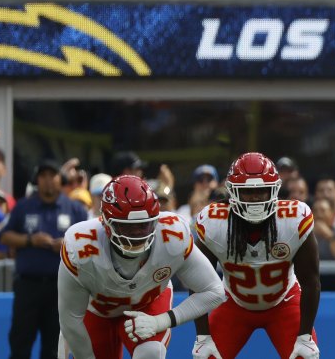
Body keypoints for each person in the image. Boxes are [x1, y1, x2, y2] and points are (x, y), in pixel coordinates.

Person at [56, 176, 226, 359]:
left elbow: (214, 291)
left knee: (151, 352)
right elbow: (70, 320)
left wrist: (161, 321)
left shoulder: (172, 235)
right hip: (97, 311)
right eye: (127, 227)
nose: (137, 234)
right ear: (105, 222)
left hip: (148, 305)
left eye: (143, 226)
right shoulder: (81, 246)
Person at [191, 152, 321, 359]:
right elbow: (197, 283)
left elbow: (311, 281)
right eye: (247, 192)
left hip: (284, 301)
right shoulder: (215, 223)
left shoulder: (292, 219)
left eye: (262, 191)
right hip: (233, 303)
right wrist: (202, 337)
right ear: (233, 193)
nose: (255, 198)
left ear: (275, 191)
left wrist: (305, 336)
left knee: (305, 356)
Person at [0, 159, 91, 359]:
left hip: (62, 288)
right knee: (20, 342)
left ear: (61, 179)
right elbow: (5, 236)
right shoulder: (24, 207)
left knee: (54, 345)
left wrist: (68, 245)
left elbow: (91, 245)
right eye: (43, 176)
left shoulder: (75, 209)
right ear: (37, 179)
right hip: (28, 286)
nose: (48, 180)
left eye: (53, 175)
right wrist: (31, 240)